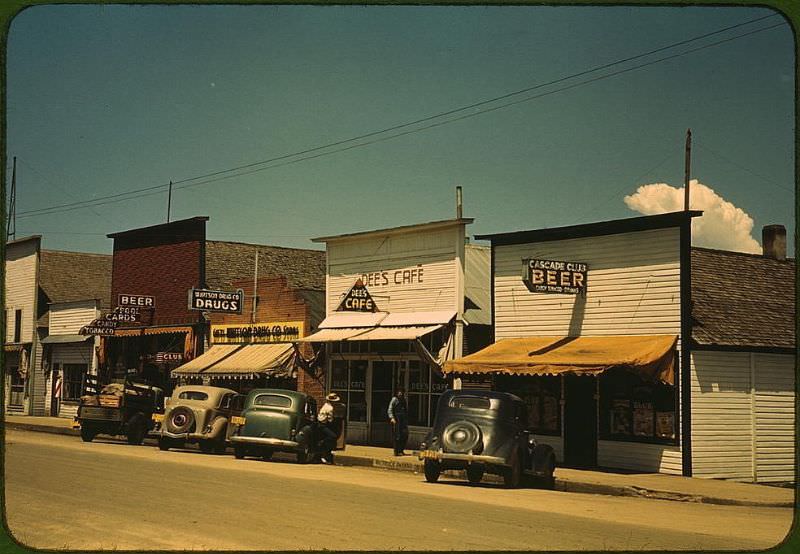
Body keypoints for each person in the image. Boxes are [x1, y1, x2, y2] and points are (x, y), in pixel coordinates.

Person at [317, 392, 340, 464]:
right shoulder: (330, 408)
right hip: (323, 425)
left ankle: (327, 454)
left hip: (320, 423)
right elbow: (330, 420)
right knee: (333, 436)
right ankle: (323, 449)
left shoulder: (325, 405)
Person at [387, 387, 409, 456]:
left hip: (403, 420)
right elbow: (390, 409)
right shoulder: (394, 400)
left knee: (405, 435)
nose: (400, 393)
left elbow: (405, 410)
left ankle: (401, 450)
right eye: (399, 392)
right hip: (397, 419)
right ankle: (396, 451)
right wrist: (392, 418)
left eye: (401, 392)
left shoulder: (404, 400)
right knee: (397, 436)